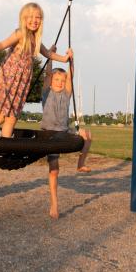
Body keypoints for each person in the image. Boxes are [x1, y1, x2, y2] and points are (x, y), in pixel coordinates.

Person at [0, 2, 72, 138]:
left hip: (21, 83)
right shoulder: (20, 33)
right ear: (23, 19)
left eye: (38, 17)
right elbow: (3, 44)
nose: (34, 20)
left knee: (12, 117)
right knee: (3, 115)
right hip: (9, 78)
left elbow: (48, 54)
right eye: (30, 17)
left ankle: (4, 147)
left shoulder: (35, 39)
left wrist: (65, 58)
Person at [40, 55, 92, 219]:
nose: (60, 82)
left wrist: (71, 59)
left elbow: (71, 75)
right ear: (52, 80)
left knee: (87, 135)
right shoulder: (46, 93)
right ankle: (54, 204)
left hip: (64, 129)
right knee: (54, 170)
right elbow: (47, 74)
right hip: (49, 133)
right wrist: (50, 56)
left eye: (62, 80)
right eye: (57, 79)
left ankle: (80, 164)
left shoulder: (66, 93)